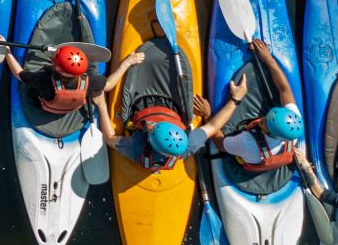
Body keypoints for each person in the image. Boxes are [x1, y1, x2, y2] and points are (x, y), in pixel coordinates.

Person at [96, 72, 249, 172]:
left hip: (144, 108)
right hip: (170, 110)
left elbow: (110, 139)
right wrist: (236, 99)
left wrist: (102, 104)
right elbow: (214, 125)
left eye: (153, 126)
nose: (152, 124)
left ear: (149, 137)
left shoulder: (136, 147)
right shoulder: (187, 145)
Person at [214, 39, 303, 174]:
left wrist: (208, 115)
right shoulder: (293, 121)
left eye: (264, 123)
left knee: (237, 152)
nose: (262, 119)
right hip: (265, 152)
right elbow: (284, 89)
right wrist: (269, 60)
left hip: (249, 157)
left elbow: (220, 144)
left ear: (271, 134)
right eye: (267, 117)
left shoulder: (247, 142)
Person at [3, 43, 145, 114]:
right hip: (70, 108)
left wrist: (8, 52)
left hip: (46, 106)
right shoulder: (90, 82)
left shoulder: (43, 79)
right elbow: (108, 85)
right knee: (99, 91)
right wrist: (127, 63)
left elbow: (19, 74)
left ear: (55, 68)